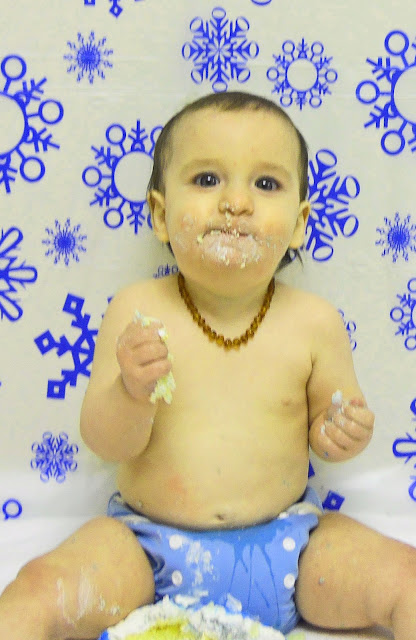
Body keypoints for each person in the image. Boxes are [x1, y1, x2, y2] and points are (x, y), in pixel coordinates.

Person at [0, 91, 415, 640]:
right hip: (146, 550)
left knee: (407, 577)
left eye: (265, 183)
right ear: (160, 214)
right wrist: (130, 392)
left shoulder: (315, 322)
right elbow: (106, 442)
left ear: (299, 224)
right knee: (37, 588)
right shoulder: (137, 312)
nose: (235, 202)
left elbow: (330, 429)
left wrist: (342, 433)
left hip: (291, 549)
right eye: (206, 179)